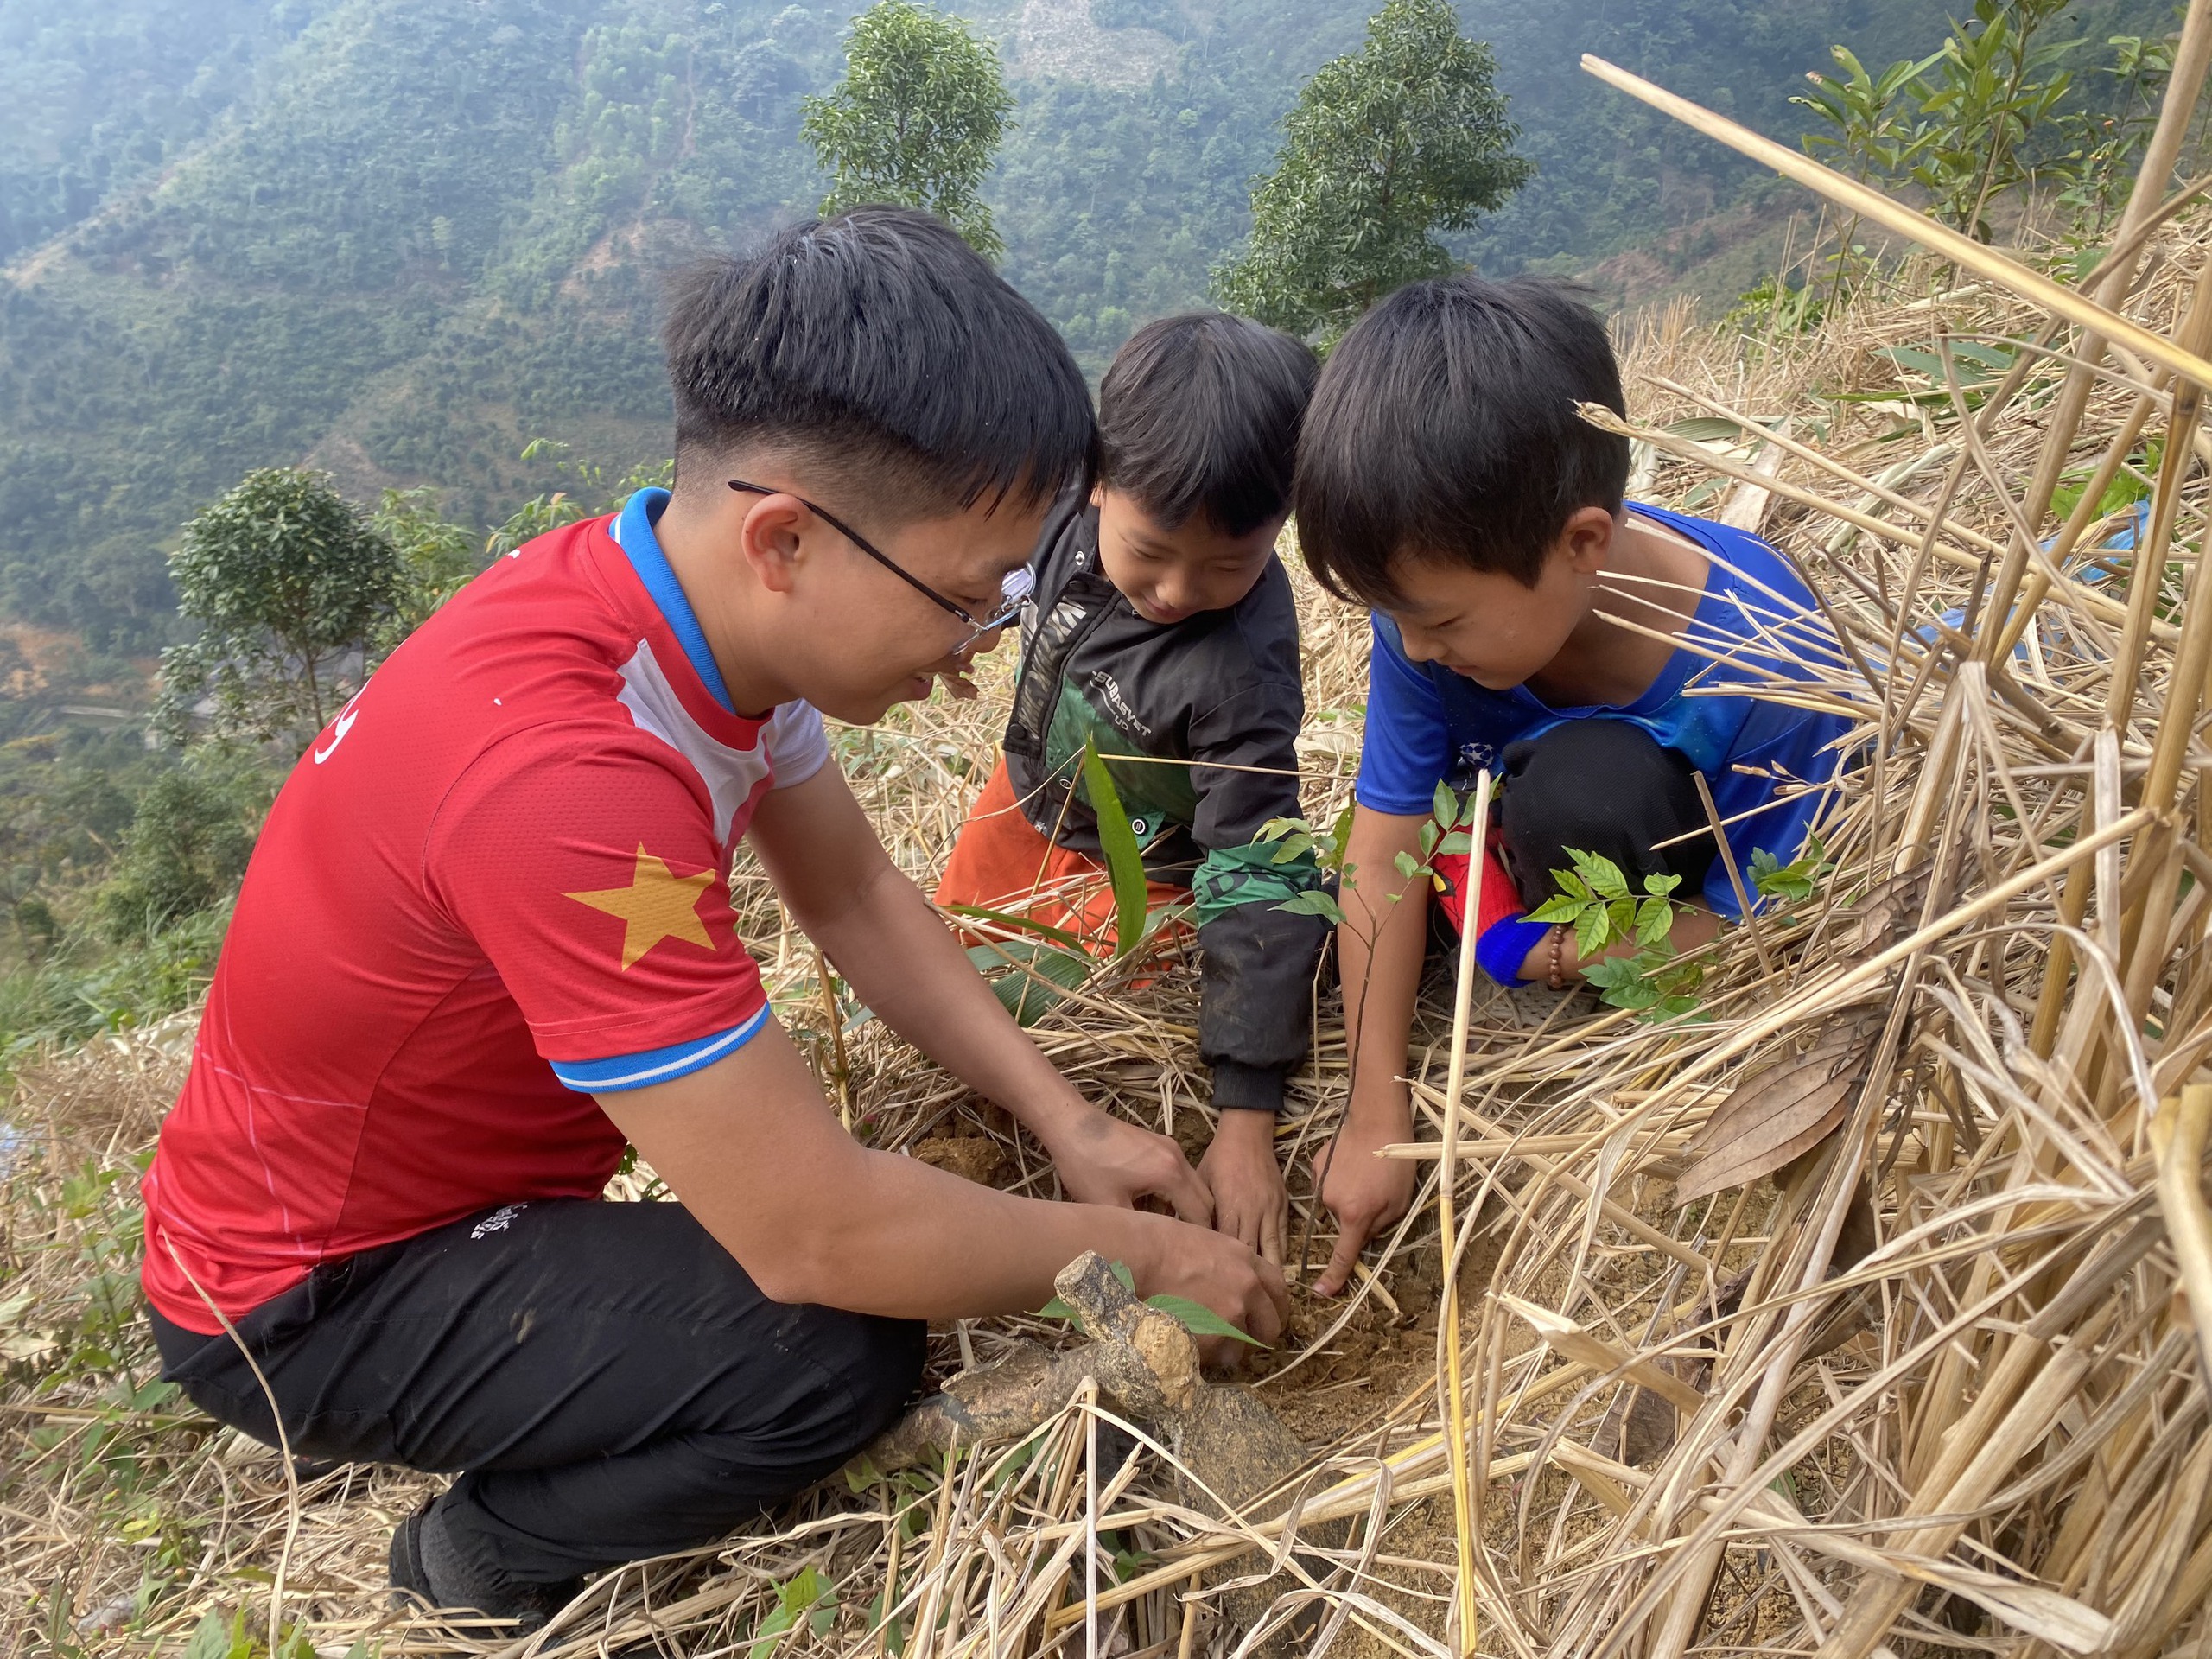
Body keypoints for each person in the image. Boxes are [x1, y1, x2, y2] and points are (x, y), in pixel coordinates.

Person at [138, 209, 1287, 1626]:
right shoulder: (564, 780)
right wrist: (1158, 1262)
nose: (978, 643)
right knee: (828, 1355)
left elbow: (857, 894)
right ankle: (477, 1564)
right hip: (305, 1297)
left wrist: (1069, 1124)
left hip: (447, 1201)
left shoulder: (684, 618)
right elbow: (813, 1232)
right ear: (788, 539)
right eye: (968, 596)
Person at [1291, 275, 1849, 1297]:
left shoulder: (1770, 666)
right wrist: (1375, 1107)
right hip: (1520, 869)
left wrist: (1544, 962)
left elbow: (1761, 928)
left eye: (1441, 625)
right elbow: (1382, 848)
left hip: (1670, 891)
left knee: (1593, 788)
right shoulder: (1431, 611)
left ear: (1583, 542)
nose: (1414, 648)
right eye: (1396, 618)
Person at [936, 312, 1328, 1268]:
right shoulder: (1060, 496)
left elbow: (1255, 862)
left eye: (1228, 565)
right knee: (954, 969)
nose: (1176, 590)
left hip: (1149, 868)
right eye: (1149, 552)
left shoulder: (1242, 669)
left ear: (1279, 526)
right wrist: (969, 621)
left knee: (1078, 1023)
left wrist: (1246, 1117)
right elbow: (1016, 571)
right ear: (1099, 479)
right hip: (1029, 793)